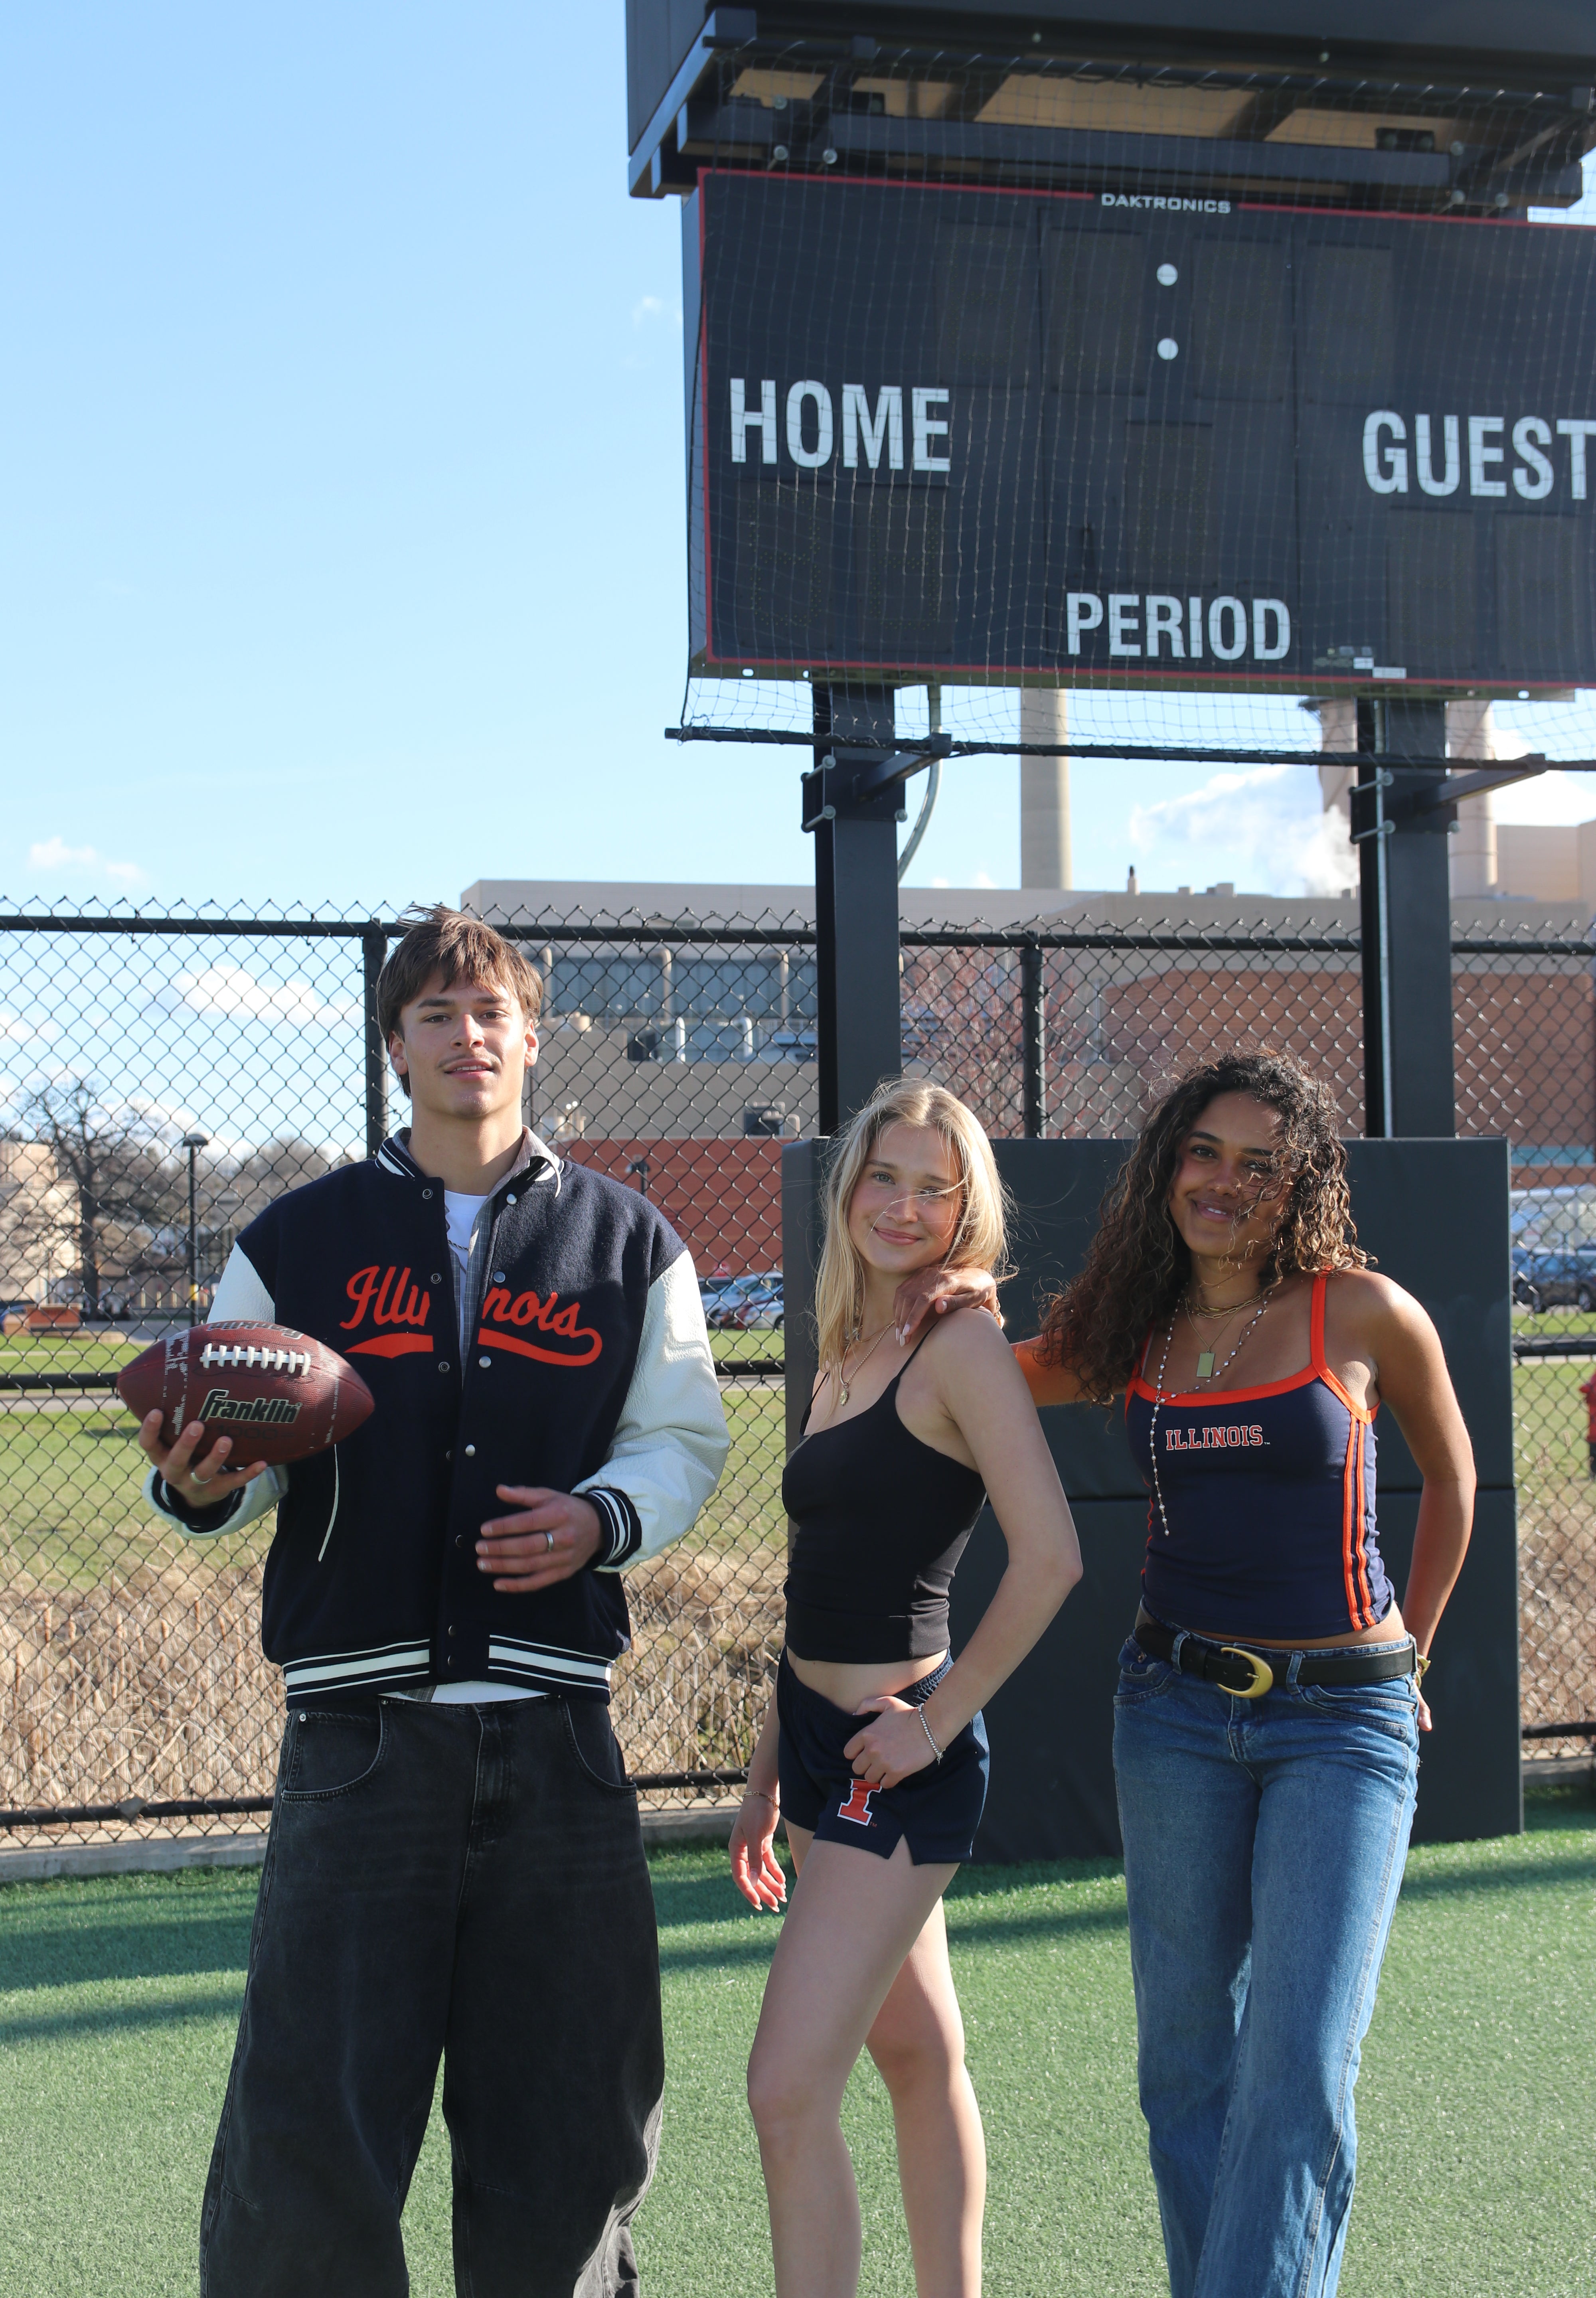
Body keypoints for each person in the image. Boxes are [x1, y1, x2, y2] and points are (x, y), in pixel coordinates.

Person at [135, 905, 728, 2298]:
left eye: (492, 1012)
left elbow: (683, 1436)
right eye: (437, 1016)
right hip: (362, 1737)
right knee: (313, 2135)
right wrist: (202, 1480)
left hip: (557, 1733)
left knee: (566, 2133)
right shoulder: (302, 1236)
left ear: (532, 1034)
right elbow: (237, 1461)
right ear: (395, 1046)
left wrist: (603, 1518)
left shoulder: (628, 1239)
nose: (470, 1037)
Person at [909, 1051, 1475, 2298]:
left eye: (1261, 1166)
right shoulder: (1138, 1329)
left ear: (1303, 1185)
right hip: (1170, 1715)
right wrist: (949, 1299)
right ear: (1169, 1165)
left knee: (1299, 2065)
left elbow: (1454, 1477)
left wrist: (1413, 1647)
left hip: (1345, 1722)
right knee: (1183, 2066)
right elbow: (984, 1383)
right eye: (1205, 1153)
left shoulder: (1362, 1311)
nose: (1225, 1183)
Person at [728, 1079, 1081, 2298]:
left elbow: (1052, 1559)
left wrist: (937, 1723)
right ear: (849, 1186)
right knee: (920, 2057)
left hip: (901, 1758)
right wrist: (768, 1773)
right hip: (825, 1749)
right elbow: (819, 1583)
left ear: (965, 1208)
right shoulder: (843, 1346)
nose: (905, 1205)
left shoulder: (961, 1345)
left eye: (937, 1188)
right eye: (887, 1177)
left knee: (785, 2090)